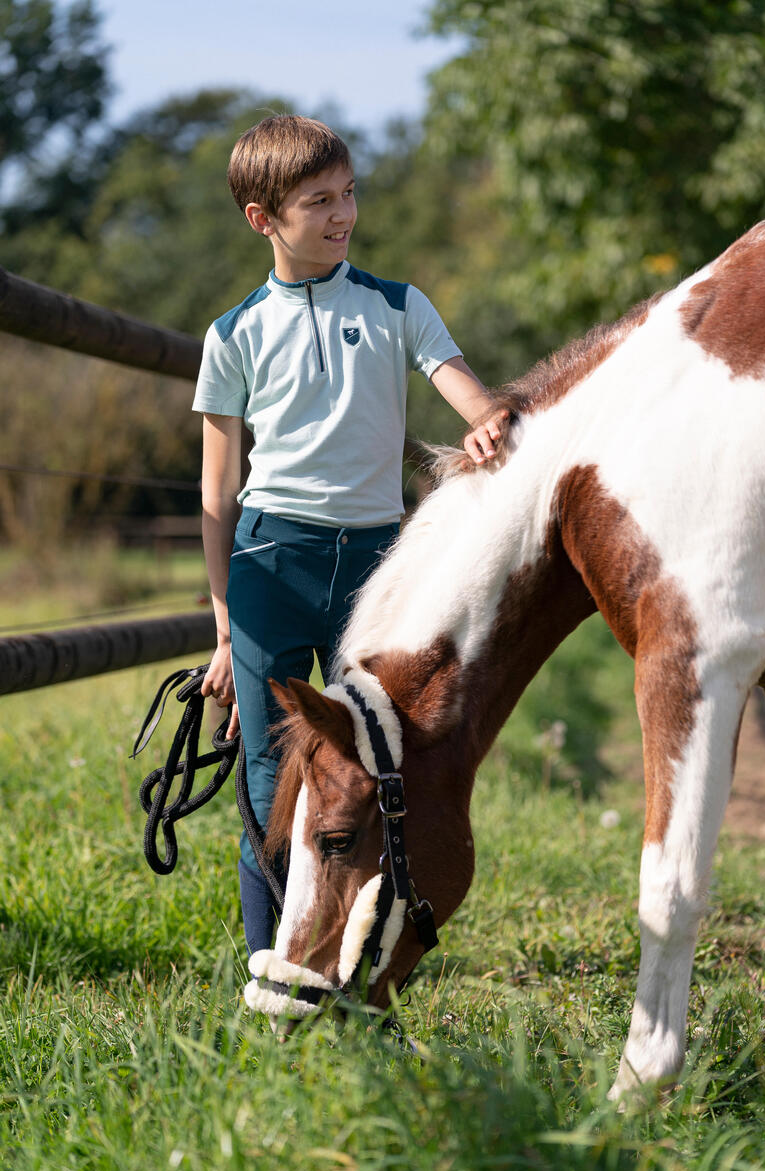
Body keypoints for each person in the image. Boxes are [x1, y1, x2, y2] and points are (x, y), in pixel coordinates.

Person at [192, 114, 504, 955]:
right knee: (266, 769)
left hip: (374, 565)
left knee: (378, 763)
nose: (343, 215)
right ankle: (271, 966)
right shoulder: (232, 335)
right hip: (269, 562)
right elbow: (218, 490)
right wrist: (226, 626)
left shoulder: (399, 305)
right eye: (318, 201)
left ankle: (368, 953)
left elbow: (464, 389)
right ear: (263, 218)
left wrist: (482, 423)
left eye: (349, 193)